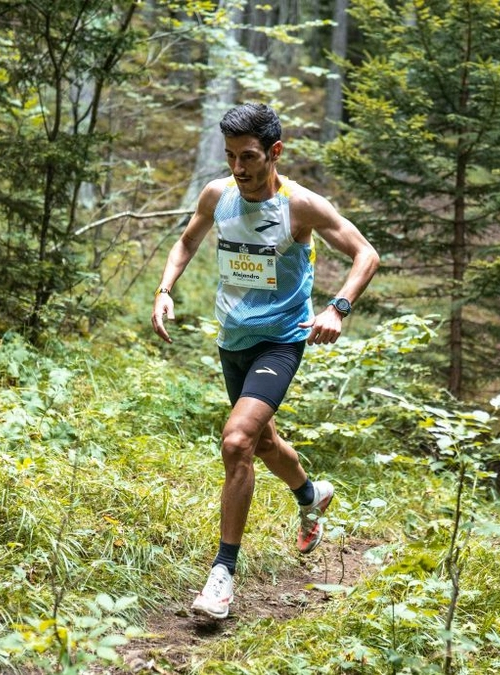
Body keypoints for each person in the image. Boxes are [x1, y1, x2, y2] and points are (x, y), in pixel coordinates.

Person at [151, 103, 380, 619]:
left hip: (281, 341)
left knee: (236, 441)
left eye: (249, 157)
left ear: (274, 152)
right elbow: (186, 241)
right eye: (231, 156)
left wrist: (337, 308)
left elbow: (366, 254)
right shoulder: (219, 195)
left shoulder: (301, 207)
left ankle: (222, 575)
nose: (239, 168)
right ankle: (311, 493)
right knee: (263, 439)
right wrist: (166, 290)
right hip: (232, 340)